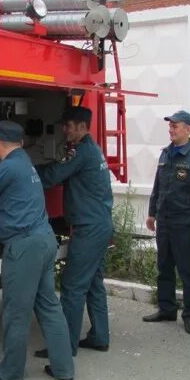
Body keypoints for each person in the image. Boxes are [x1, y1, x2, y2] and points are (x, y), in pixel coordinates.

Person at [0, 121, 74, 380]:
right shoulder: (24, 161)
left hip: (24, 247)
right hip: (45, 239)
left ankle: (11, 371)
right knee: (49, 306)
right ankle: (64, 369)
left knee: (16, 311)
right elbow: (3, 172)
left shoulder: (10, 167)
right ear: (21, 143)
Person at [32, 106, 114, 358]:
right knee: (93, 284)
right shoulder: (93, 149)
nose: (64, 130)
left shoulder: (80, 152)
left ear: (80, 127)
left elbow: (54, 176)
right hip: (100, 225)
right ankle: (100, 337)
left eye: (67, 125)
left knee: (73, 287)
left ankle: (64, 347)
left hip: (89, 229)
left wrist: (24, 170)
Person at [142, 110, 190, 335]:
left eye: (175, 126)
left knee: (187, 270)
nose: (171, 130)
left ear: (188, 129)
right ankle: (166, 308)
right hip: (165, 220)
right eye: (170, 126)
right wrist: (152, 213)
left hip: (184, 223)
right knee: (164, 266)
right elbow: (158, 187)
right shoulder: (166, 154)